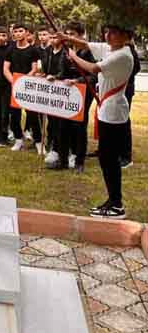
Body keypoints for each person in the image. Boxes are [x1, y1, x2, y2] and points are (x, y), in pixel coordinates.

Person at [59, 23, 134, 219]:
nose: (108, 36)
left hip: (113, 111)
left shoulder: (123, 56)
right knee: (106, 158)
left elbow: (93, 68)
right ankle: (112, 201)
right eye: (107, 32)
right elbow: (87, 44)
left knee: (109, 159)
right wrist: (67, 38)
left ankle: (116, 205)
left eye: (114, 33)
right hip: (107, 109)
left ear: (126, 36)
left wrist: (73, 57)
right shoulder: (112, 49)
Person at [55, 21, 96, 173]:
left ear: (80, 35)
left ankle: (79, 161)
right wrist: (56, 77)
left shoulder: (89, 52)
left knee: (79, 127)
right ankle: (63, 159)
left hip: (83, 92)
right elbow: (62, 72)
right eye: (67, 33)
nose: (69, 37)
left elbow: (93, 75)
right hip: (67, 93)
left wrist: (76, 81)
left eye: (72, 34)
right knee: (63, 126)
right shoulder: (66, 51)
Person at [3, 23, 43, 153]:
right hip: (13, 86)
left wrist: (23, 81)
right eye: (16, 31)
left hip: (28, 86)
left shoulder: (33, 50)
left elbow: (34, 69)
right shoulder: (10, 49)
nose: (18, 33)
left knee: (32, 116)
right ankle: (18, 140)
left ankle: (38, 142)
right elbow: (6, 69)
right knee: (14, 116)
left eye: (21, 31)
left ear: (26, 33)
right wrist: (14, 82)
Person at [42, 31, 65, 167]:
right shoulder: (47, 51)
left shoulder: (65, 52)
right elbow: (45, 68)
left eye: (55, 37)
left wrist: (56, 77)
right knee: (51, 122)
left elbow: (64, 70)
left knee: (60, 122)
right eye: (51, 37)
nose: (52, 39)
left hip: (61, 88)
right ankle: (52, 147)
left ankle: (60, 149)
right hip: (49, 89)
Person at [121, 40, 141, 168]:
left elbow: (136, 68)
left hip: (125, 89)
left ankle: (126, 156)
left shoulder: (129, 50)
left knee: (123, 121)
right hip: (117, 89)